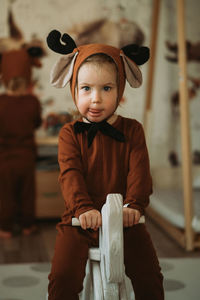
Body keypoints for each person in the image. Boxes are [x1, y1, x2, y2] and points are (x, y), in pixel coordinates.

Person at [46, 30, 164, 300]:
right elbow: (70, 174)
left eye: (106, 88)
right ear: (74, 89)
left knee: (150, 276)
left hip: (124, 219)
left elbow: (140, 173)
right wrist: (82, 207)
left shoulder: (133, 131)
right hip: (79, 220)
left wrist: (134, 205)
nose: (95, 98)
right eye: (86, 88)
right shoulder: (69, 133)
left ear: (120, 91)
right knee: (62, 277)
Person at [0, 49, 42, 238]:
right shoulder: (32, 102)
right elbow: (37, 123)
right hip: (26, 156)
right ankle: (27, 225)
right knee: (27, 193)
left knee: (5, 194)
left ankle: (5, 228)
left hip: (4, 157)